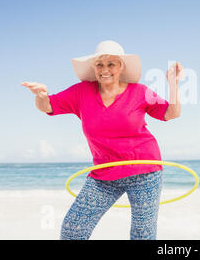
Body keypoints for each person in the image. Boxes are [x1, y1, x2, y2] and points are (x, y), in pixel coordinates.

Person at [22, 40, 183, 240]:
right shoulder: (81, 92)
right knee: (73, 230)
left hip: (145, 170)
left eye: (111, 64)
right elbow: (48, 106)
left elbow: (171, 113)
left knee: (142, 234)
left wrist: (173, 84)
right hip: (104, 174)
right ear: (94, 68)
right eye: (99, 64)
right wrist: (40, 95)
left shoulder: (140, 92)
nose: (105, 70)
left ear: (121, 66)